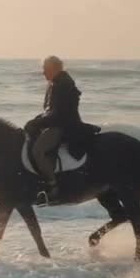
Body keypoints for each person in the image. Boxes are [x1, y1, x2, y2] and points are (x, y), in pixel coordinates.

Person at [24, 55, 84, 201]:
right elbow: (49, 111)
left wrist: (37, 123)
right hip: (55, 122)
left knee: (38, 151)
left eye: (45, 69)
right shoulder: (54, 83)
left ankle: (53, 186)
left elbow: (58, 115)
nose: (43, 72)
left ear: (54, 69)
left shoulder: (62, 85)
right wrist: (37, 120)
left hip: (64, 126)